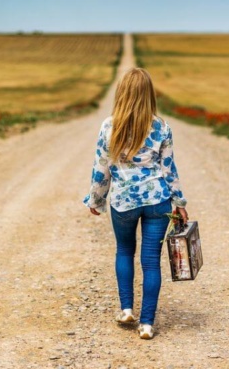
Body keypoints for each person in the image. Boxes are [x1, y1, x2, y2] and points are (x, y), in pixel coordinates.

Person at [83, 67, 188, 340]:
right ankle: (147, 324)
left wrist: (96, 199)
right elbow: (169, 169)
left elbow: (101, 169)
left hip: (124, 202)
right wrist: (179, 201)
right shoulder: (162, 127)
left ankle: (127, 308)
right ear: (148, 95)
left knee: (124, 251)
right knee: (151, 262)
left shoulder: (109, 126)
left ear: (122, 93)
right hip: (157, 201)